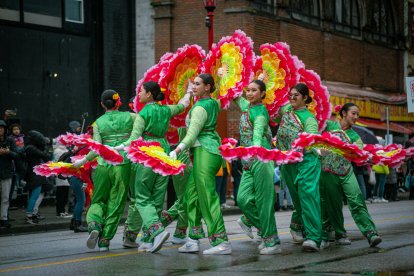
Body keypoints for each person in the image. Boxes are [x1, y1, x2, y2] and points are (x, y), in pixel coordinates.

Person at [121, 81, 191, 253]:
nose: (139, 94)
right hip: (164, 151)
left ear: (149, 94)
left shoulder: (142, 114)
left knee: (142, 194)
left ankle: (157, 231)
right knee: (158, 196)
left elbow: (134, 139)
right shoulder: (165, 110)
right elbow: (183, 105)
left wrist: (115, 148)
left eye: (141, 91)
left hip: (147, 152)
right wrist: (189, 91)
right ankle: (147, 240)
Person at [169, 73, 232, 255]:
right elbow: (219, 95)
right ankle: (193, 239)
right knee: (191, 194)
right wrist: (220, 79)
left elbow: (192, 134)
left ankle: (221, 241)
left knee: (206, 196)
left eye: (197, 84)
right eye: (193, 84)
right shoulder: (212, 103)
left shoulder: (199, 108)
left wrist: (177, 150)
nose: (193, 86)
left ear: (207, 87)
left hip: (205, 150)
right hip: (207, 150)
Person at [73, 90, 136, 251]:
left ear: (102, 104)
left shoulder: (98, 123)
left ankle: (94, 224)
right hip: (122, 164)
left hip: (102, 164)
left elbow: (96, 148)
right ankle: (104, 240)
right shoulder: (130, 117)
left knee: (98, 200)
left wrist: (83, 160)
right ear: (118, 102)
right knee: (116, 203)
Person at [319, 102, 382, 248]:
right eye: (353, 113)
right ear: (344, 113)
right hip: (328, 172)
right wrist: (319, 150)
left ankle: (371, 233)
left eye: (357, 114)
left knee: (357, 200)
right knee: (333, 205)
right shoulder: (328, 125)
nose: (356, 117)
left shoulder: (355, 136)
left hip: (346, 172)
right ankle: (339, 234)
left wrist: (368, 157)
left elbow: (358, 153)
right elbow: (314, 138)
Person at [233, 79, 282, 255]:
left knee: (264, 201)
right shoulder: (248, 106)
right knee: (243, 198)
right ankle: (263, 231)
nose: (249, 93)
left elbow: (258, 132)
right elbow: (235, 95)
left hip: (261, 158)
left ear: (262, 94)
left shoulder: (260, 112)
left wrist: (254, 147)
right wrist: (223, 76)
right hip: (248, 162)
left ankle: (272, 242)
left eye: (254, 90)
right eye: (248, 90)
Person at [274, 83, 322, 252]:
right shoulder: (287, 109)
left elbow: (311, 139)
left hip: (306, 161)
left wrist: (301, 145)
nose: (292, 98)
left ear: (305, 98)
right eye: (291, 94)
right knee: (298, 200)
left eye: (296, 95)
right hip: (288, 163)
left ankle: (314, 237)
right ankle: (298, 227)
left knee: (308, 196)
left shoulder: (309, 119)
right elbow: (273, 110)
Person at [159, 128, 193, 245]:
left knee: (184, 198)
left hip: (177, 158)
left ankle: (176, 230)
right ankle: (165, 226)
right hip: (188, 158)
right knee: (186, 199)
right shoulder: (195, 113)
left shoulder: (174, 115)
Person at [25, 130, 53, 224]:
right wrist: (47, 146)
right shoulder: (31, 148)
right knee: (35, 195)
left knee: (37, 194)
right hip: (34, 174)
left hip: (35, 173)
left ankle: (32, 213)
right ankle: (29, 215)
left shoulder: (30, 147)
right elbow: (46, 156)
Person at [0, 120, 19, 228]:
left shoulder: (10, 140)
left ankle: (4, 218)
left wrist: (8, 152)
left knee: (5, 197)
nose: (0, 130)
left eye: (2, 128)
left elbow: (17, 155)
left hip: (6, 172)